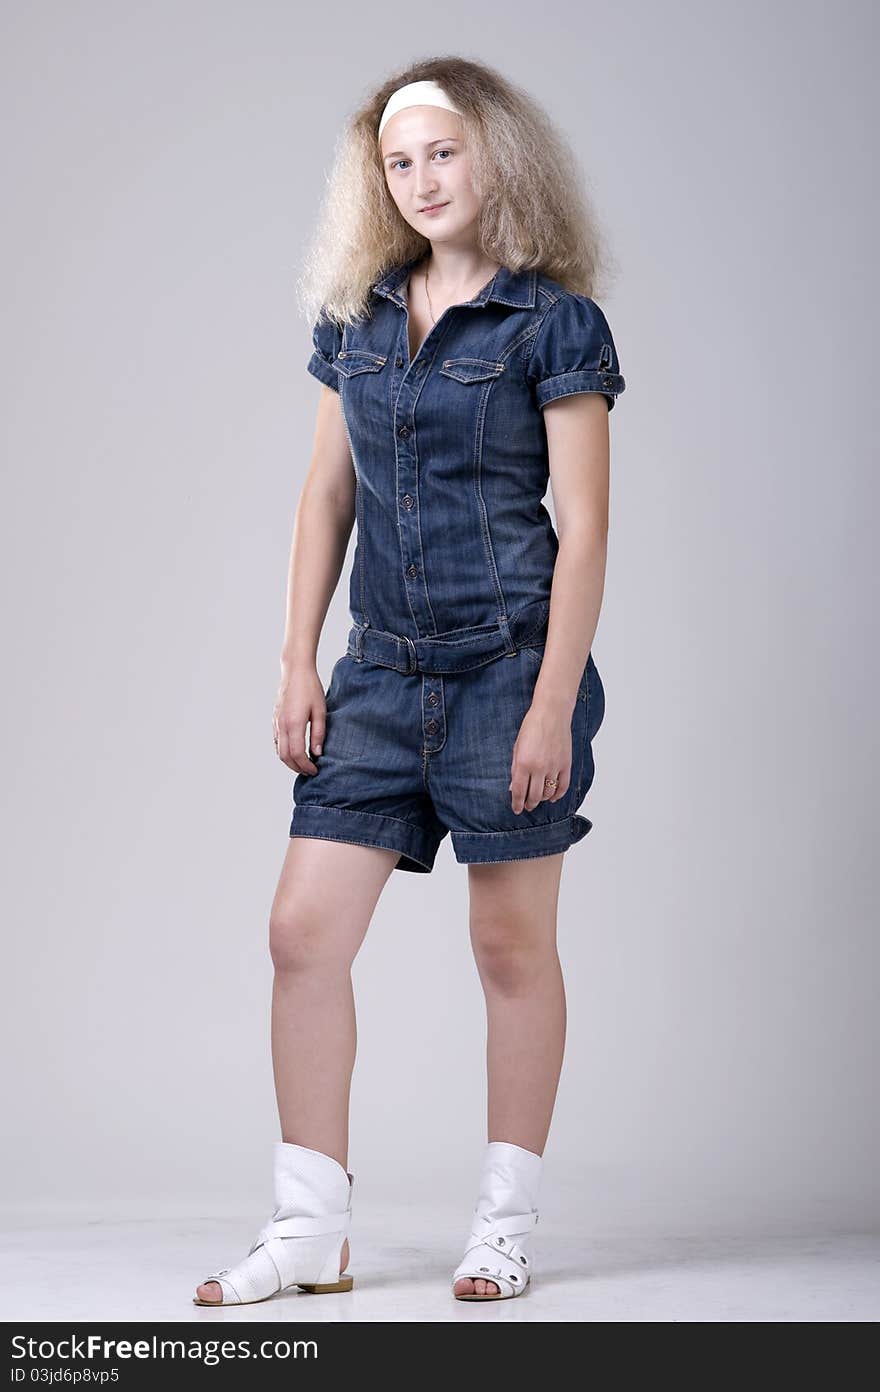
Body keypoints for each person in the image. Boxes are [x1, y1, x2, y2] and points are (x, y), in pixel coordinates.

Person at [193, 55, 625, 1307]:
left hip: (507, 669)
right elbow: (326, 497)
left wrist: (550, 701)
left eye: (442, 151)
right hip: (376, 671)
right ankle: (307, 1231)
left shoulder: (553, 323)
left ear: (495, 158)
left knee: (507, 946)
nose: (421, 178)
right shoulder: (358, 316)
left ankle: (502, 1227)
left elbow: (585, 530)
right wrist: (295, 661)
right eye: (397, 161)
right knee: (300, 936)